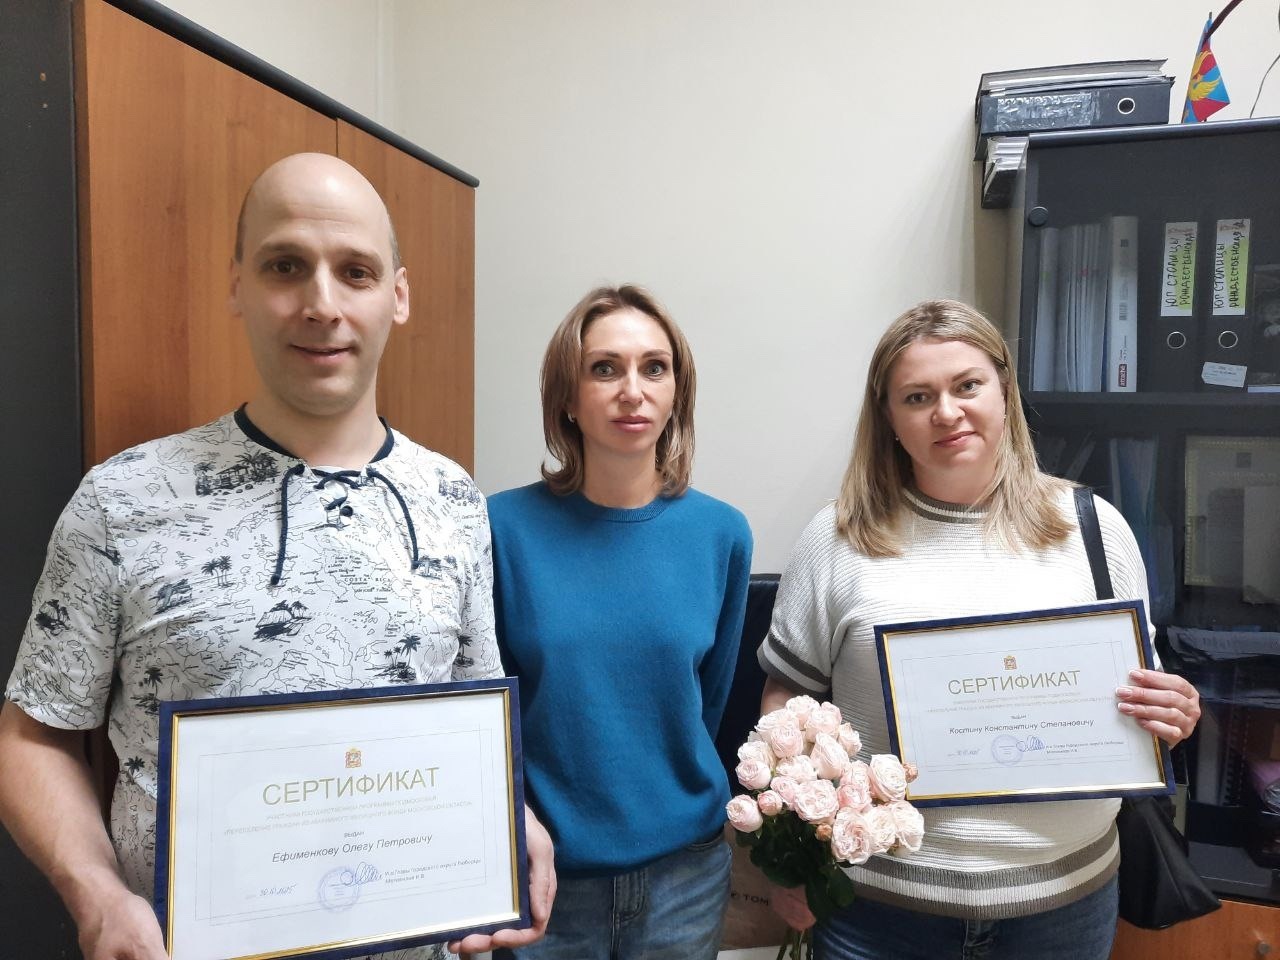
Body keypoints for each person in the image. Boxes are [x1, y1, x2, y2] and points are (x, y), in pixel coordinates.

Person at [0, 153, 553, 960]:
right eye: (286, 266)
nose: (321, 305)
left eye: (356, 271)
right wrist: (97, 894)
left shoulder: (454, 500)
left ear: (398, 296)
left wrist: (512, 818)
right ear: (238, 285)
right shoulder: (123, 501)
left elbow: (470, 717)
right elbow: (35, 737)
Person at [757, 299, 1201, 960]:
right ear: (888, 417)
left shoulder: (1094, 528)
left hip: (1065, 907)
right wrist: (790, 850)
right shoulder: (837, 538)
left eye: (967, 385)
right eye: (917, 396)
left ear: (1004, 390)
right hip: (879, 911)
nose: (947, 411)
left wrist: (1173, 711)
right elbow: (786, 702)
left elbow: (1142, 690)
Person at [487, 285, 752, 959]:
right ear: (567, 399)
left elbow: (707, 704)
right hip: (546, 875)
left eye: (653, 368)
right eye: (604, 369)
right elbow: (488, 710)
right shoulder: (500, 528)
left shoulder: (722, 534)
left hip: (684, 877)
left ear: (676, 393)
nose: (632, 391)